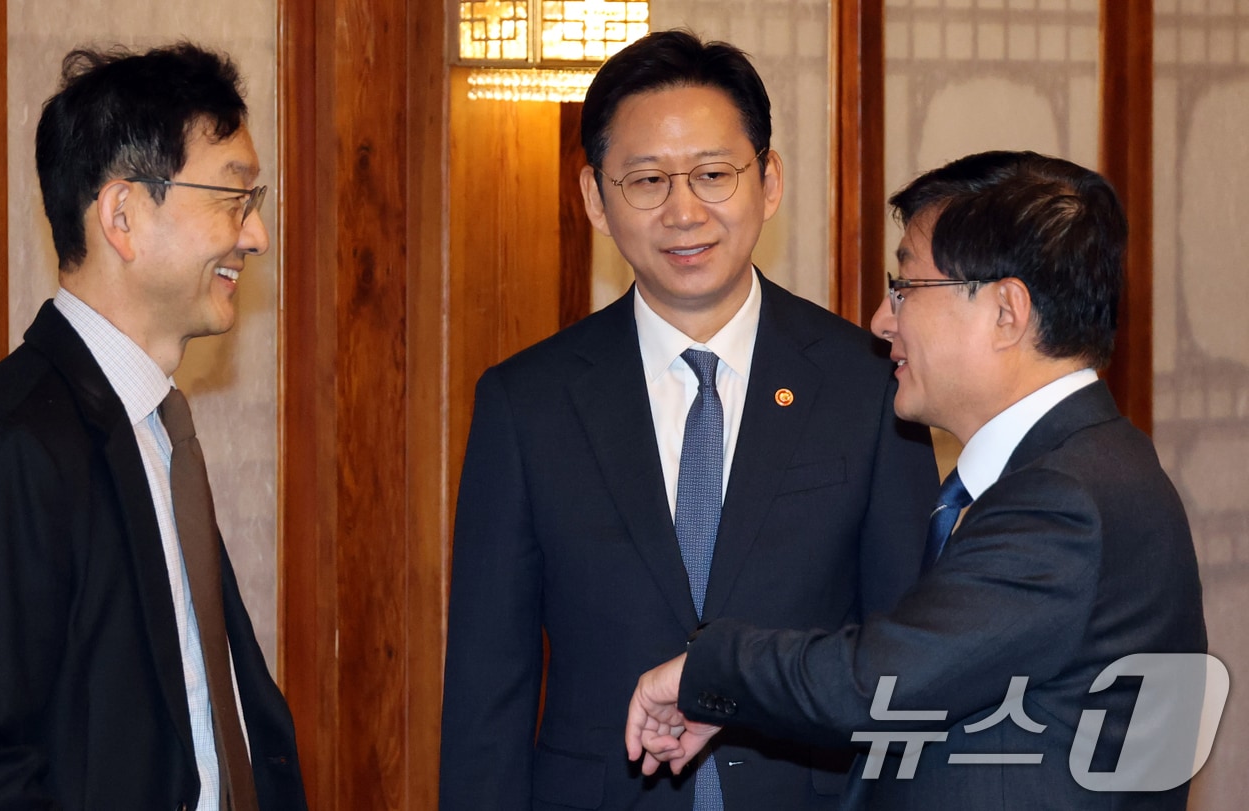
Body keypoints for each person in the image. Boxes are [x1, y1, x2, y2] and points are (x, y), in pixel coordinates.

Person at [439, 30, 938, 810]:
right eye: (647, 180)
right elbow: (486, 693)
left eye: (713, 174)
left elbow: (908, 655)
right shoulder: (526, 402)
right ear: (595, 199)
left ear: (768, 182)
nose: (683, 211)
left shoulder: (869, 385)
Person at [625, 151, 1209, 810]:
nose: (882, 319)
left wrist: (710, 669)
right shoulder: (1084, 464)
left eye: (905, 287)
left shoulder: (1063, 499)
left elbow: (878, 682)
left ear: (1006, 311)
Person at [0, 44, 306, 810]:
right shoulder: (14, 449)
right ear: (122, 215)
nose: (255, 235)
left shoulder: (157, 429)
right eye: (232, 197)